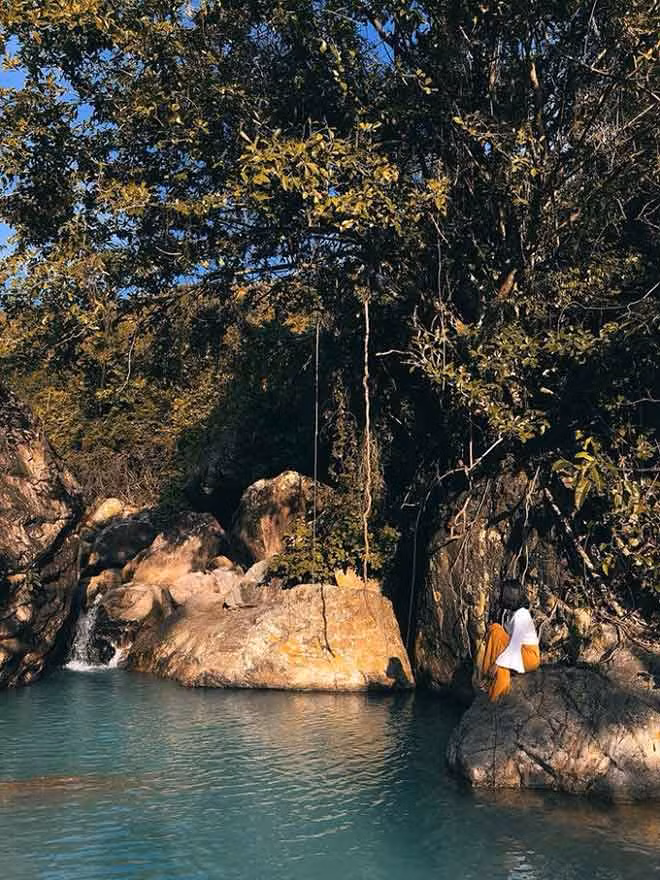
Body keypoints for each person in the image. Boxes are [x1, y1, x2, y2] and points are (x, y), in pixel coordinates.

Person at [481, 584, 541, 702]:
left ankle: (498, 690)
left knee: (496, 631)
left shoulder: (521, 615)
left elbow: (514, 646)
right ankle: (490, 680)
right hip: (520, 652)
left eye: (503, 596)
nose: (501, 598)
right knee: (495, 630)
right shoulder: (511, 612)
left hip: (529, 656)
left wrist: (497, 664)